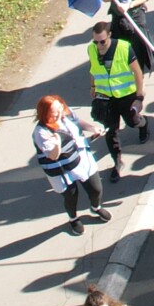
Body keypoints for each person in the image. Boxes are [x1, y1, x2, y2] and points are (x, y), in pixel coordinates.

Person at [32, 94, 107, 232]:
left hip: (81, 159)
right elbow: (53, 156)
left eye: (60, 109)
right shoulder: (41, 132)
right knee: (71, 196)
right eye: (54, 113)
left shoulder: (66, 113)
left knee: (96, 189)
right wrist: (56, 145)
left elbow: (77, 121)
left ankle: (96, 207)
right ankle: (73, 218)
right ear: (45, 114)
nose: (60, 114)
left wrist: (92, 129)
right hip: (62, 170)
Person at [82, 17, 147, 156]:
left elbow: (137, 72)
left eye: (102, 41)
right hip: (105, 97)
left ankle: (143, 124)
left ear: (109, 35)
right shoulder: (91, 49)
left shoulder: (124, 47)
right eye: (95, 41)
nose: (98, 45)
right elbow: (93, 69)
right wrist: (93, 86)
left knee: (133, 122)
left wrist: (139, 96)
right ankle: (117, 162)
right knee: (111, 131)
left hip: (125, 95)